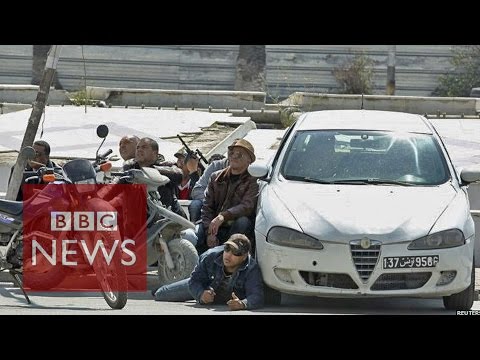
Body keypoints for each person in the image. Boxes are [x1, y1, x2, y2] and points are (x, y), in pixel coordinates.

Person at [183, 138, 258, 253]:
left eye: (240, 154)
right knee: (188, 236)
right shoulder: (216, 177)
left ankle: (230, 254)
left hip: (234, 227)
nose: (234, 156)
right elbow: (207, 207)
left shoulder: (253, 180)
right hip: (214, 226)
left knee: (243, 222)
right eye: (232, 153)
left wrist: (223, 216)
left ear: (249, 160)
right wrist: (210, 232)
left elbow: (247, 206)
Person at [153, 234, 264, 310]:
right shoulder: (210, 256)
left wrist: (242, 304)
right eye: (227, 248)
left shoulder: (251, 268)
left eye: (235, 252)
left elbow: (257, 295)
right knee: (160, 294)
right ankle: (158, 288)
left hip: (222, 297)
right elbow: (194, 281)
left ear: (244, 256)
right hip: (204, 286)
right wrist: (201, 295)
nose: (228, 254)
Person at [123, 137, 186, 218]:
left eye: (144, 147)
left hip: (169, 220)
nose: (139, 150)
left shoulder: (167, 166)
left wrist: (149, 170)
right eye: (137, 147)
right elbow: (115, 185)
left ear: (154, 153)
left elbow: (179, 175)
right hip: (140, 219)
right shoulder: (131, 168)